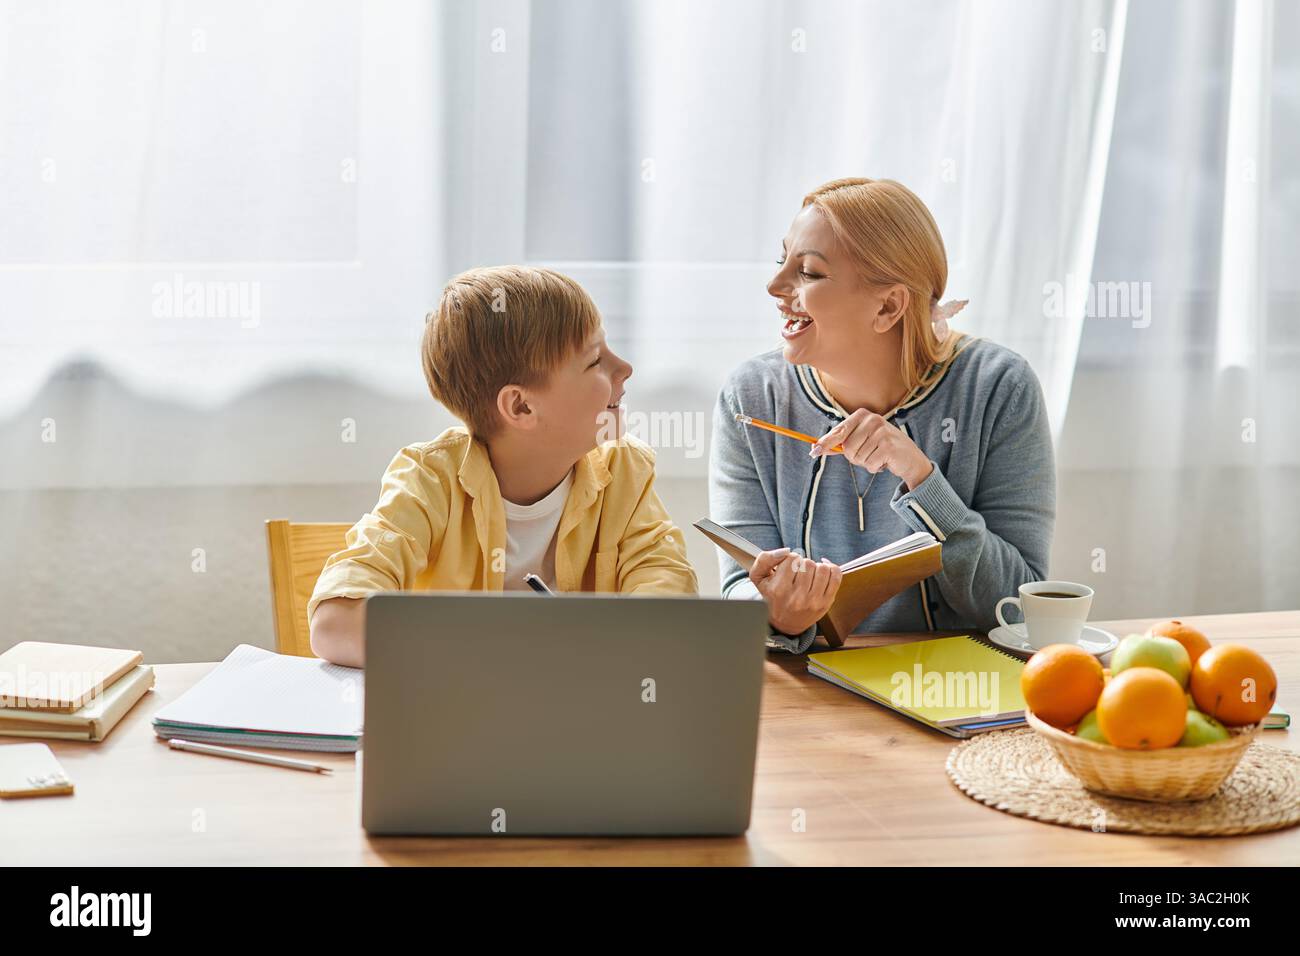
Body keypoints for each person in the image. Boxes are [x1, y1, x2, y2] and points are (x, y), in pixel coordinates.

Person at [709, 177, 1055, 653]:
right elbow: (738, 590)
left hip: (955, 689)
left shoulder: (999, 388)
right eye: (781, 260)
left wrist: (920, 478)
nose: (774, 286)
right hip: (811, 693)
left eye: (808, 272)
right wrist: (776, 612)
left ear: (888, 306)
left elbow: (1017, 606)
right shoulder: (750, 397)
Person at [310, 265, 698, 666]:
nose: (624, 368)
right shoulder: (430, 479)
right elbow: (334, 622)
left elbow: (667, 590)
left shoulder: (625, 471)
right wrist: (504, 649)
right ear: (521, 406)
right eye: (595, 360)